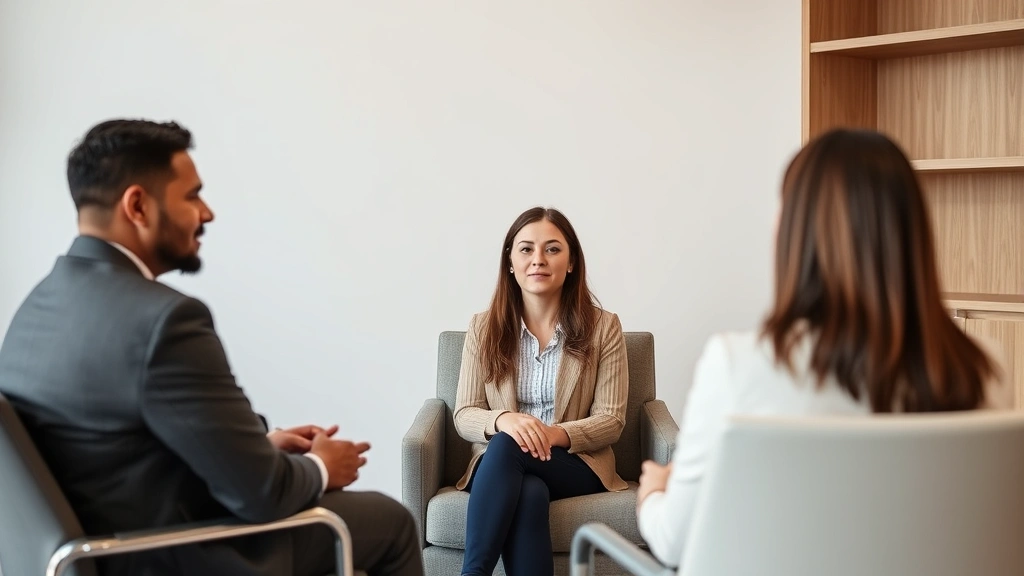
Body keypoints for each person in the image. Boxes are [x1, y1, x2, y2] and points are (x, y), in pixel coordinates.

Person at [0, 119, 423, 576]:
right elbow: (263, 494)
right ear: (138, 205)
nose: (207, 213)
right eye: (192, 195)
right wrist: (322, 465)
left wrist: (257, 447)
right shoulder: (165, 321)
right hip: (173, 554)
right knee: (390, 521)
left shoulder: (37, 307)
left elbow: (118, 449)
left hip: (93, 552)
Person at [636, 128, 1015, 568]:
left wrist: (655, 491)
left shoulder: (737, 364)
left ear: (796, 232)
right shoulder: (987, 368)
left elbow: (676, 544)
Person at [453, 206, 629, 576]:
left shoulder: (604, 327)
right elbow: (465, 413)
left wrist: (553, 434)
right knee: (529, 490)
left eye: (552, 249)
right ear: (511, 263)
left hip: (576, 463)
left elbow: (611, 420)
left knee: (508, 443)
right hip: (504, 465)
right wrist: (505, 420)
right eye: (526, 249)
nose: (538, 260)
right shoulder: (483, 328)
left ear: (571, 263)